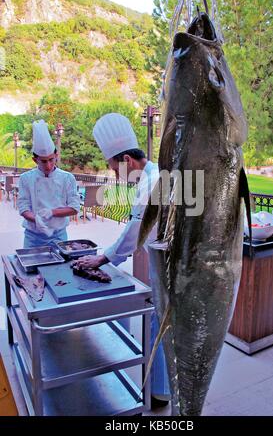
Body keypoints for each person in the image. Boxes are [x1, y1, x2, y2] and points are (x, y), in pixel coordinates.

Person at [76, 113, 170, 408]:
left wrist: (103, 258)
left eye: (114, 169)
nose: (116, 177)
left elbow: (136, 229)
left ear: (127, 160)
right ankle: (159, 390)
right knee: (159, 323)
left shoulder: (154, 180)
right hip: (161, 263)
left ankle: (160, 394)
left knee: (161, 325)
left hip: (168, 267)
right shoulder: (151, 177)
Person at [17, 120, 80, 248]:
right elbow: (23, 207)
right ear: (35, 160)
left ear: (56, 155)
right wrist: (36, 219)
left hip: (59, 236)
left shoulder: (67, 178)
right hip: (33, 238)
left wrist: (52, 212)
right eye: (43, 161)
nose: (49, 165)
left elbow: (74, 208)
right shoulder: (25, 179)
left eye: (51, 160)